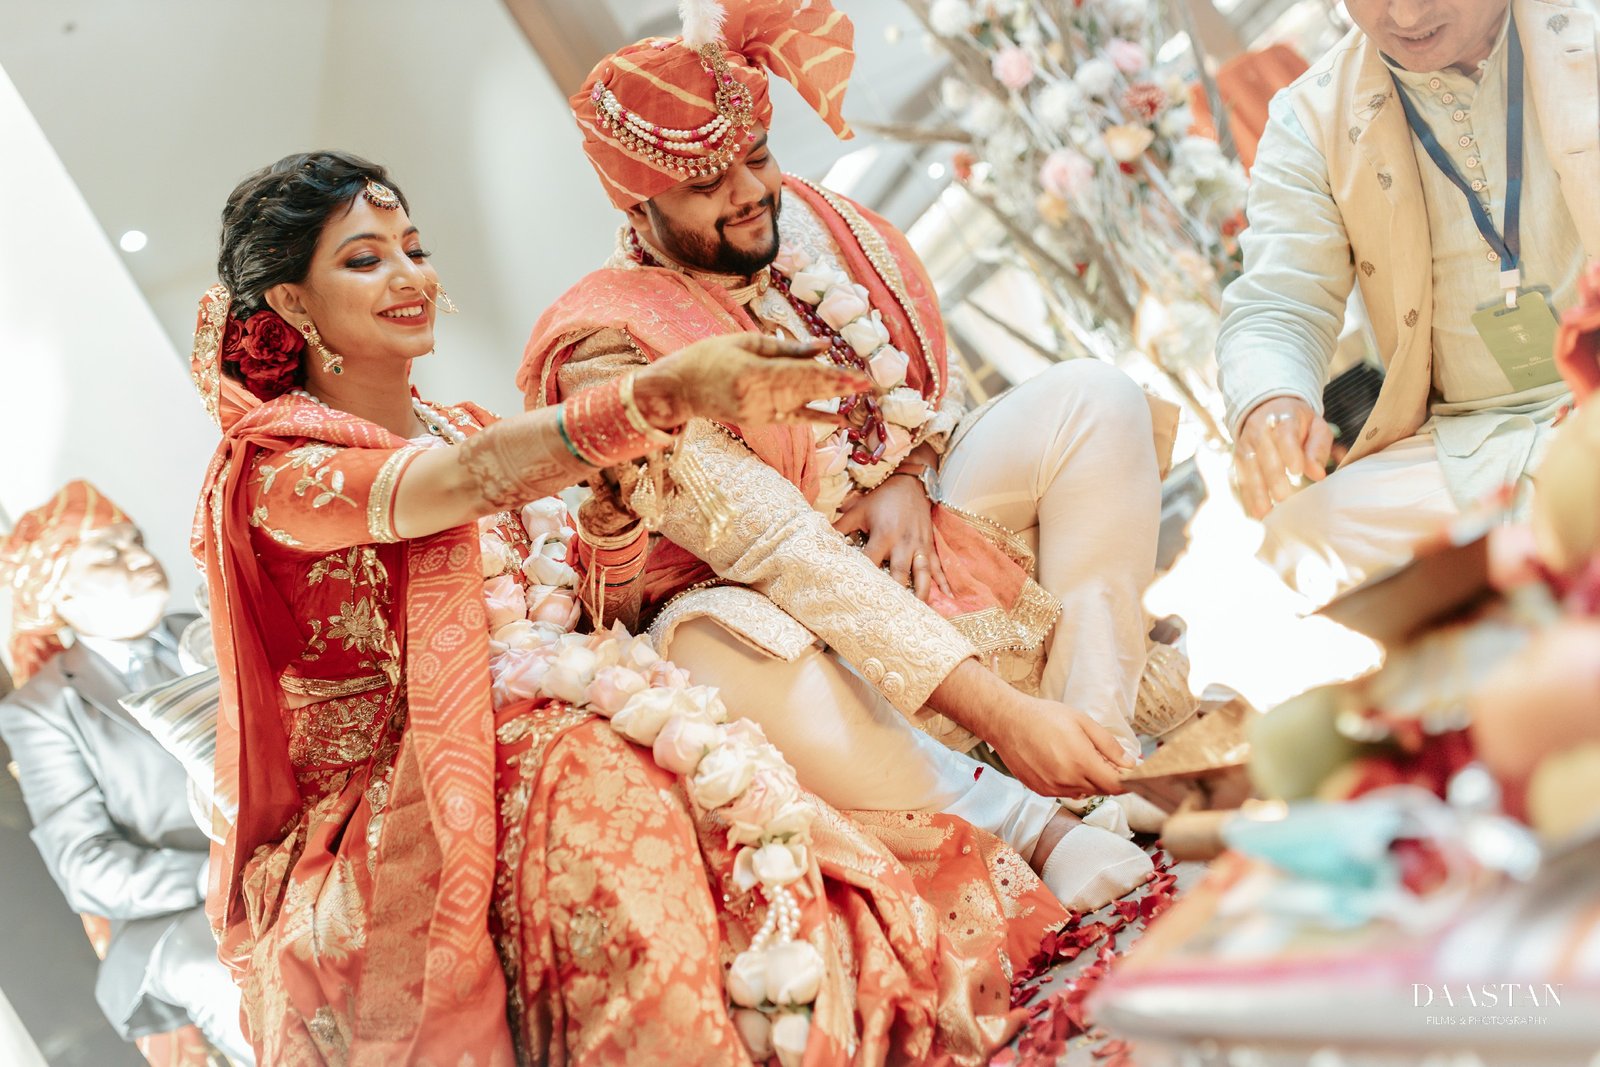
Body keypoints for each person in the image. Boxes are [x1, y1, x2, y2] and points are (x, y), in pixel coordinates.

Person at [193, 149, 1075, 1065]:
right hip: (422, 791)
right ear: (292, 306)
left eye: (413, 247)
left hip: (584, 708)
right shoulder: (279, 472)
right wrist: (667, 393)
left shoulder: (459, 416)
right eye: (365, 259)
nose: (411, 275)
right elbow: (458, 483)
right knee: (588, 759)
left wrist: (613, 534)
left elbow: (583, 618)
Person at [520, 0, 1166, 904]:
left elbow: (912, 400)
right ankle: (1034, 824)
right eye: (705, 184)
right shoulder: (611, 349)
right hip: (781, 618)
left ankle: (1096, 757)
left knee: (1094, 399)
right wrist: (1002, 715)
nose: (747, 193)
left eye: (755, 159)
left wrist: (906, 472)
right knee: (712, 641)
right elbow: (781, 548)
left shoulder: (810, 224)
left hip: (910, 532)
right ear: (639, 203)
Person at [1219, 0, 1599, 599]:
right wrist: (1271, 397)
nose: (1406, 12)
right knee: (1300, 539)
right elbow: (1277, 303)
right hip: (1468, 444)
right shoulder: (1310, 118)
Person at [0, 482, 252, 1064]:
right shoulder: (42, 709)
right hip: (183, 911)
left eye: (134, 540)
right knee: (216, 968)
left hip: (297, 860)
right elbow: (86, 867)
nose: (139, 555)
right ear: (57, 589)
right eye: (107, 552)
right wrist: (219, 879)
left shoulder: (220, 625)